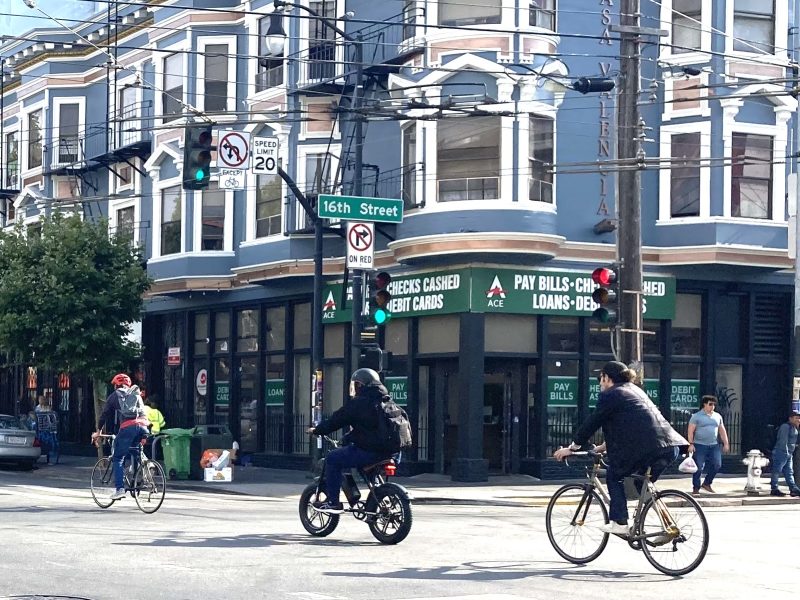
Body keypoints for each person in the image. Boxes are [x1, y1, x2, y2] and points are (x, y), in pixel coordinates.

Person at [553, 361, 688, 535]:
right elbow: (635, 425)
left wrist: (572, 448)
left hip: (647, 448)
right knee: (642, 485)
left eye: (600, 379)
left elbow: (592, 423)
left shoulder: (611, 395)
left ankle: (620, 522)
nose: (600, 383)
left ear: (607, 378)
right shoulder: (635, 390)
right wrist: (602, 447)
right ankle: (668, 526)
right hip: (670, 446)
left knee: (614, 475)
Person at [307, 368, 393, 514]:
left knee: (333, 458)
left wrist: (317, 430)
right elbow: (368, 429)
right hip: (391, 452)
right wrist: (348, 438)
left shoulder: (359, 403)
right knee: (363, 466)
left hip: (370, 451)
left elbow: (336, 420)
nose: (354, 388)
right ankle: (376, 498)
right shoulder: (387, 401)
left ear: (360, 385)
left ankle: (333, 502)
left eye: (355, 385)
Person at [91, 373, 150, 500]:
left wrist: (98, 431)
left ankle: (120, 489)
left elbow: (105, 415)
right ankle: (143, 471)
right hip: (144, 426)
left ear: (116, 385)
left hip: (128, 427)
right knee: (135, 450)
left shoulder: (114, 396)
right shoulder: (135, 394)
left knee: (118, 458)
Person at [687, 394, 729, 495]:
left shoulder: (717, 416)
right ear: (704, 405)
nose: (712, 407)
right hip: (699, 444)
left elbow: (722, 430)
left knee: (717, 464)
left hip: (713, 445)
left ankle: (707, 483)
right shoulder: (696, 416)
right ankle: (696, 487)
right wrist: (691, 443)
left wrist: (726, 443)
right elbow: (690, 431)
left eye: (714, 404)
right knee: (698, 467)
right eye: (710, 404)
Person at [769, 411, 800, 497]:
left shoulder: (795, 428)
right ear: (790, 418)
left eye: (799, 418)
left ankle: (793, 489)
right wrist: (785, 452)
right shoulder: (785, 427)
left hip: (789, 453)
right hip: (781, 452)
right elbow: (783, 441)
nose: (798, 420)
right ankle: (774, 488)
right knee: (777, 470)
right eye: (796, 418)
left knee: (789, 472)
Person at [34, 395, 59, 465]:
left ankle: (37, 458)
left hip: (41, 430)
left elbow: (36, 419)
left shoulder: (37, 409)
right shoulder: (49, 409)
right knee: (50, 445)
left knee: (42, 444)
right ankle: (50, 460)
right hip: (49, 430)